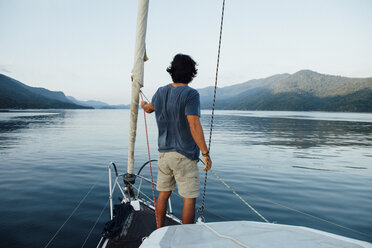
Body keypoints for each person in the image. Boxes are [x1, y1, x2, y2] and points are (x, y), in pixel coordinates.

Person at [140, 54, 212, 228]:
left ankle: (159, 231)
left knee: (163, 194)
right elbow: (193, 123)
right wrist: (205, 152)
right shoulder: (191, 94)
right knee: (188, 199)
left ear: (172, 71)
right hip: (184, 155)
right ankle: (186, 239)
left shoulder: (160, 91)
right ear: (191, 73)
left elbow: (149, 109)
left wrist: (143, 104)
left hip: (164, 154)